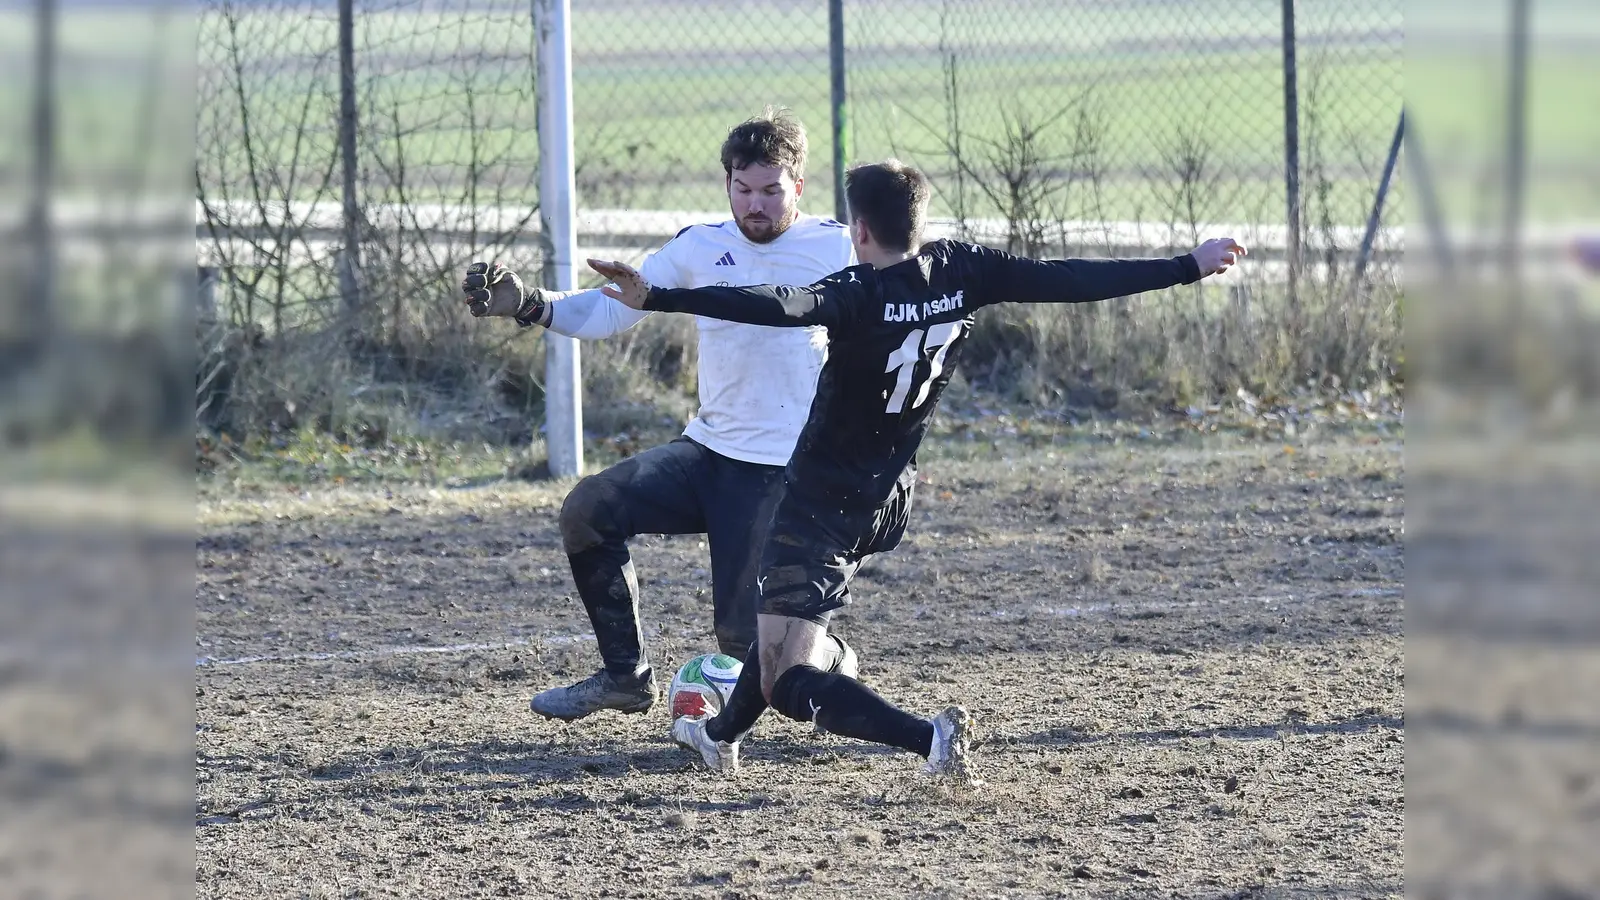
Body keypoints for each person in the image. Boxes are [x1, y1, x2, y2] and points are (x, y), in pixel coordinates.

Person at [587, 159, 1246, 778]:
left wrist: (658, 298)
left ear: (860, 230)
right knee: (772, 641)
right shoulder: (963, 267)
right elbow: (1071, 279)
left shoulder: (855, 292)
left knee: (786, 681)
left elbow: (775, 304)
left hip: (821, 505)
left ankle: (930, 740)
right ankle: (719, 737)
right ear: (919, 223)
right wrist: (1188, 265)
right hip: (890, 497)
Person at [460, 108, 858, 722]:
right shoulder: (701, 246)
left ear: (798, 187)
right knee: (589, 510)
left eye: (771, 191)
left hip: (782, 472)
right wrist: (531, 305)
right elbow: (614, 307)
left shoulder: (836, 247)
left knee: (746, 649)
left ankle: (828, 655)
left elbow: (904, 307)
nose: (755, 205)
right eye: (743, 189)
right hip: (707, 453)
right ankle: (625, 677)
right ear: (727, 183)